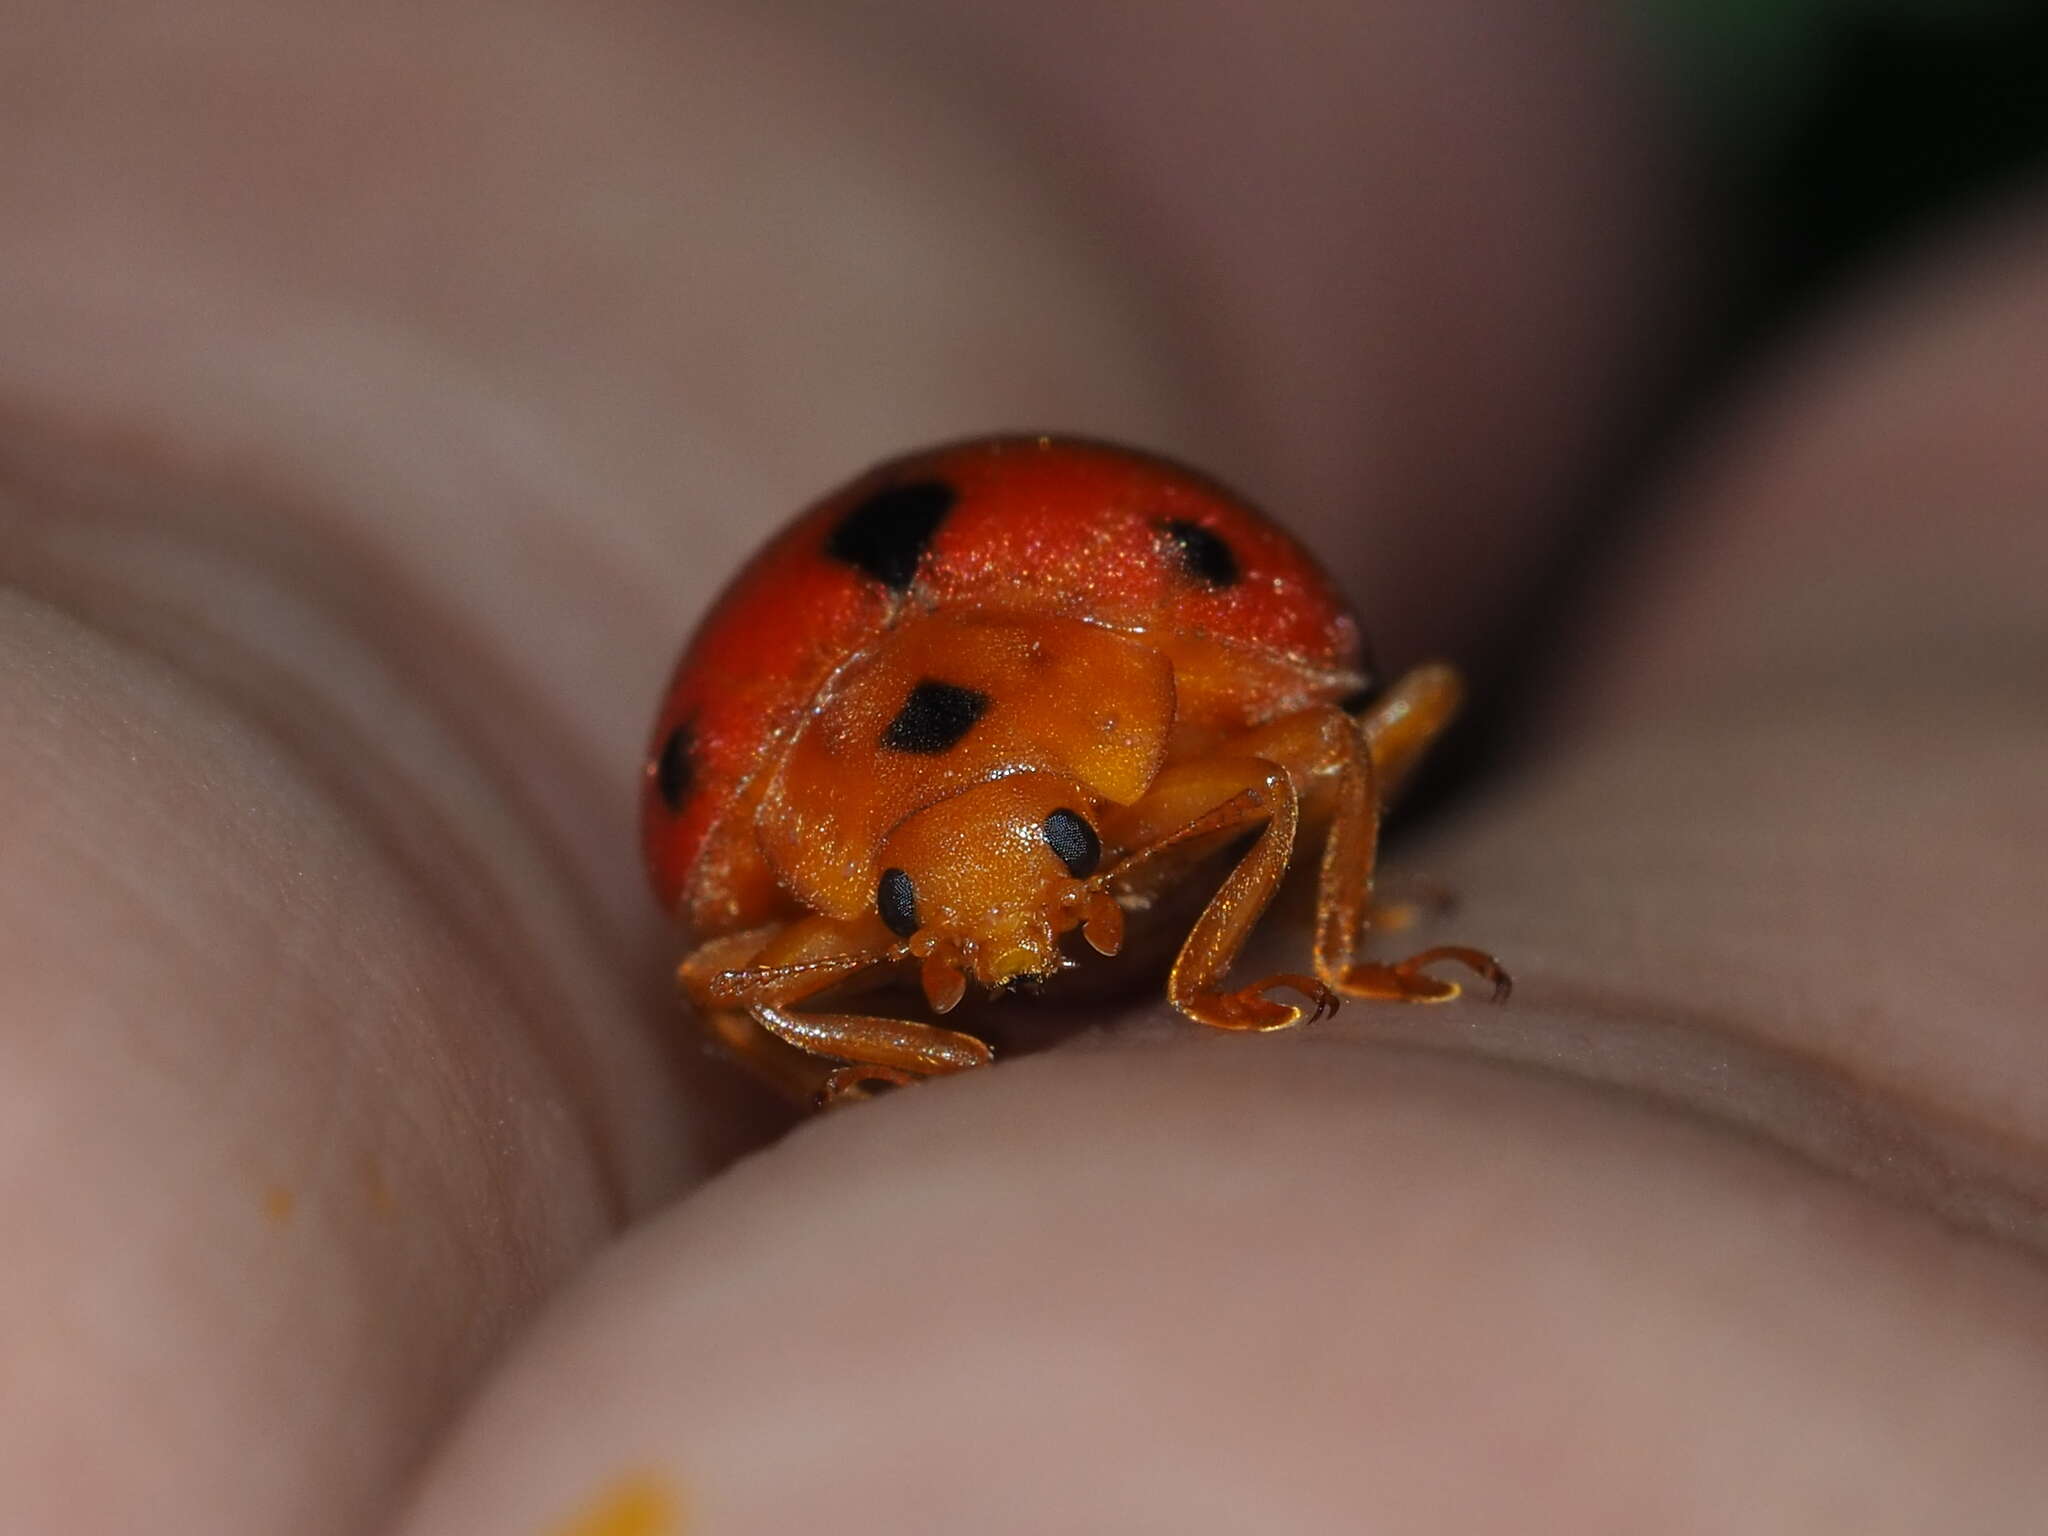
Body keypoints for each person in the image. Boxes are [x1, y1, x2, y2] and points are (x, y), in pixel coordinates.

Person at [2, 2, 2042, 1531]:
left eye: (1048, 862)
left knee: (1338, 737)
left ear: (1108, 788)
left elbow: (1335, 745)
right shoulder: (782, 848)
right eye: (918, 917)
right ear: (850, 877)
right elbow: (731, 980)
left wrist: (1297, 964)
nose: (1005, 933)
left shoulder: (1179, 715)